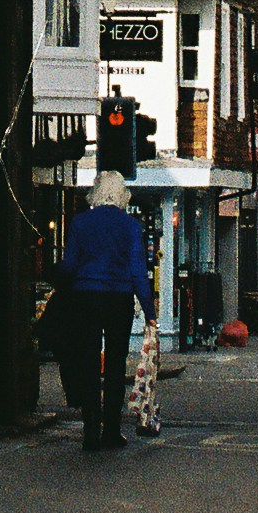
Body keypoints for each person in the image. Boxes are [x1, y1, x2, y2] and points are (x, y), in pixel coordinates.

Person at [61, 171, 154, 453]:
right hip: (118, 299)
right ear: (122, 194)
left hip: (86, 298)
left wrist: (64, 292)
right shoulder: (130, 226)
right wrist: (149, 310)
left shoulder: (80, 223)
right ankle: (111, 430)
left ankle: (90, 432)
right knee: (114, 365)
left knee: (88, 362)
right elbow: (139, 271)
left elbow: (68, 265)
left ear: (96, 193)